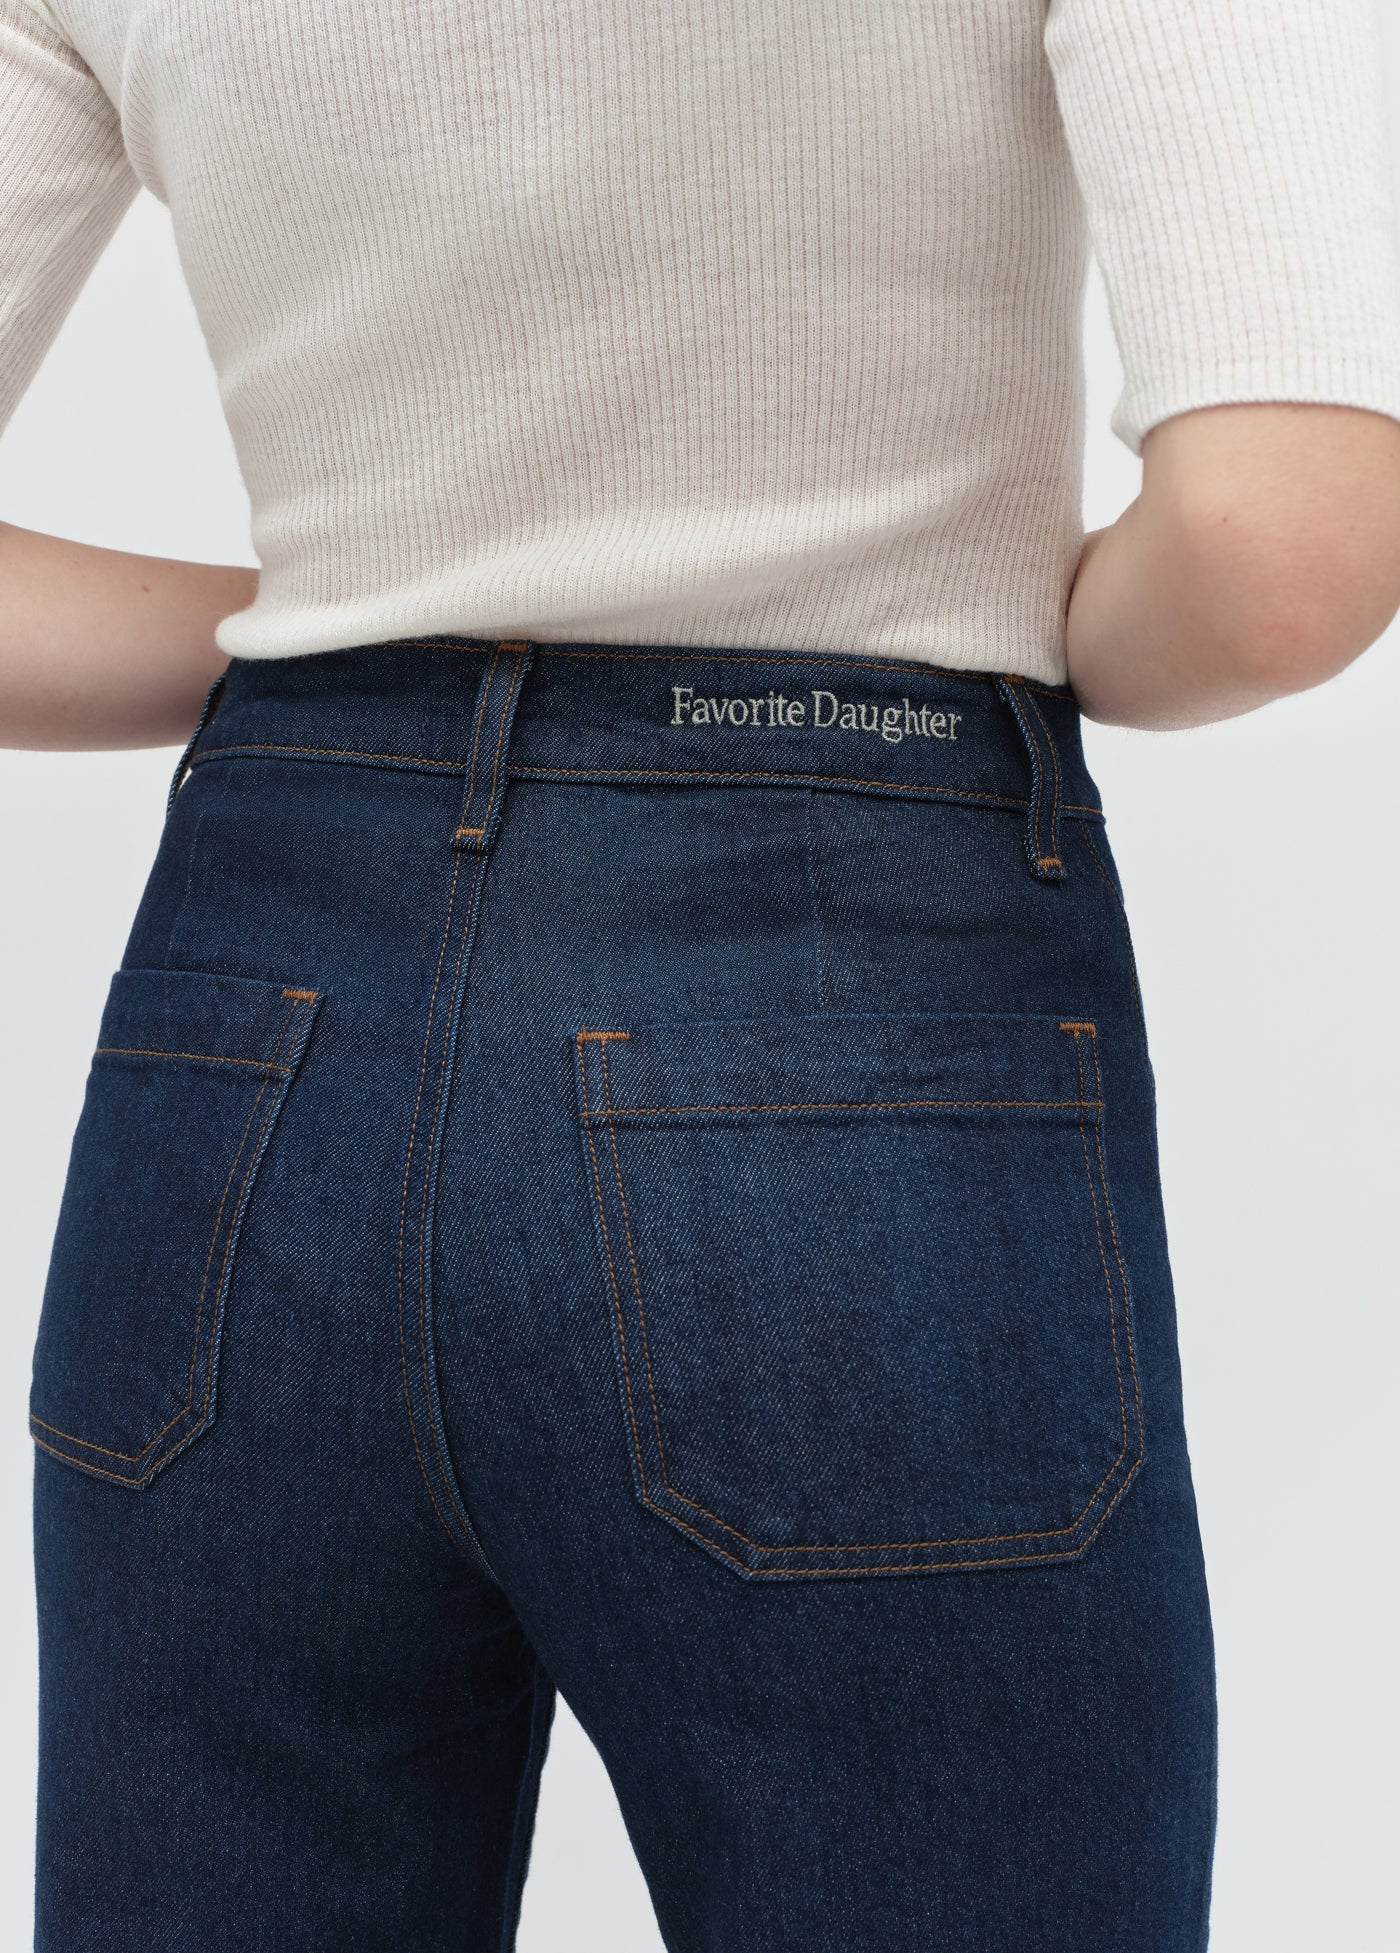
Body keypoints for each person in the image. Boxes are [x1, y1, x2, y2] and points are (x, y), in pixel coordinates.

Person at [3, 1, 1398, 1947]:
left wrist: (329, 656)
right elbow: (1276, 557)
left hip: (255, 1031)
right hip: (841, 967)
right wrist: (1025, 617)